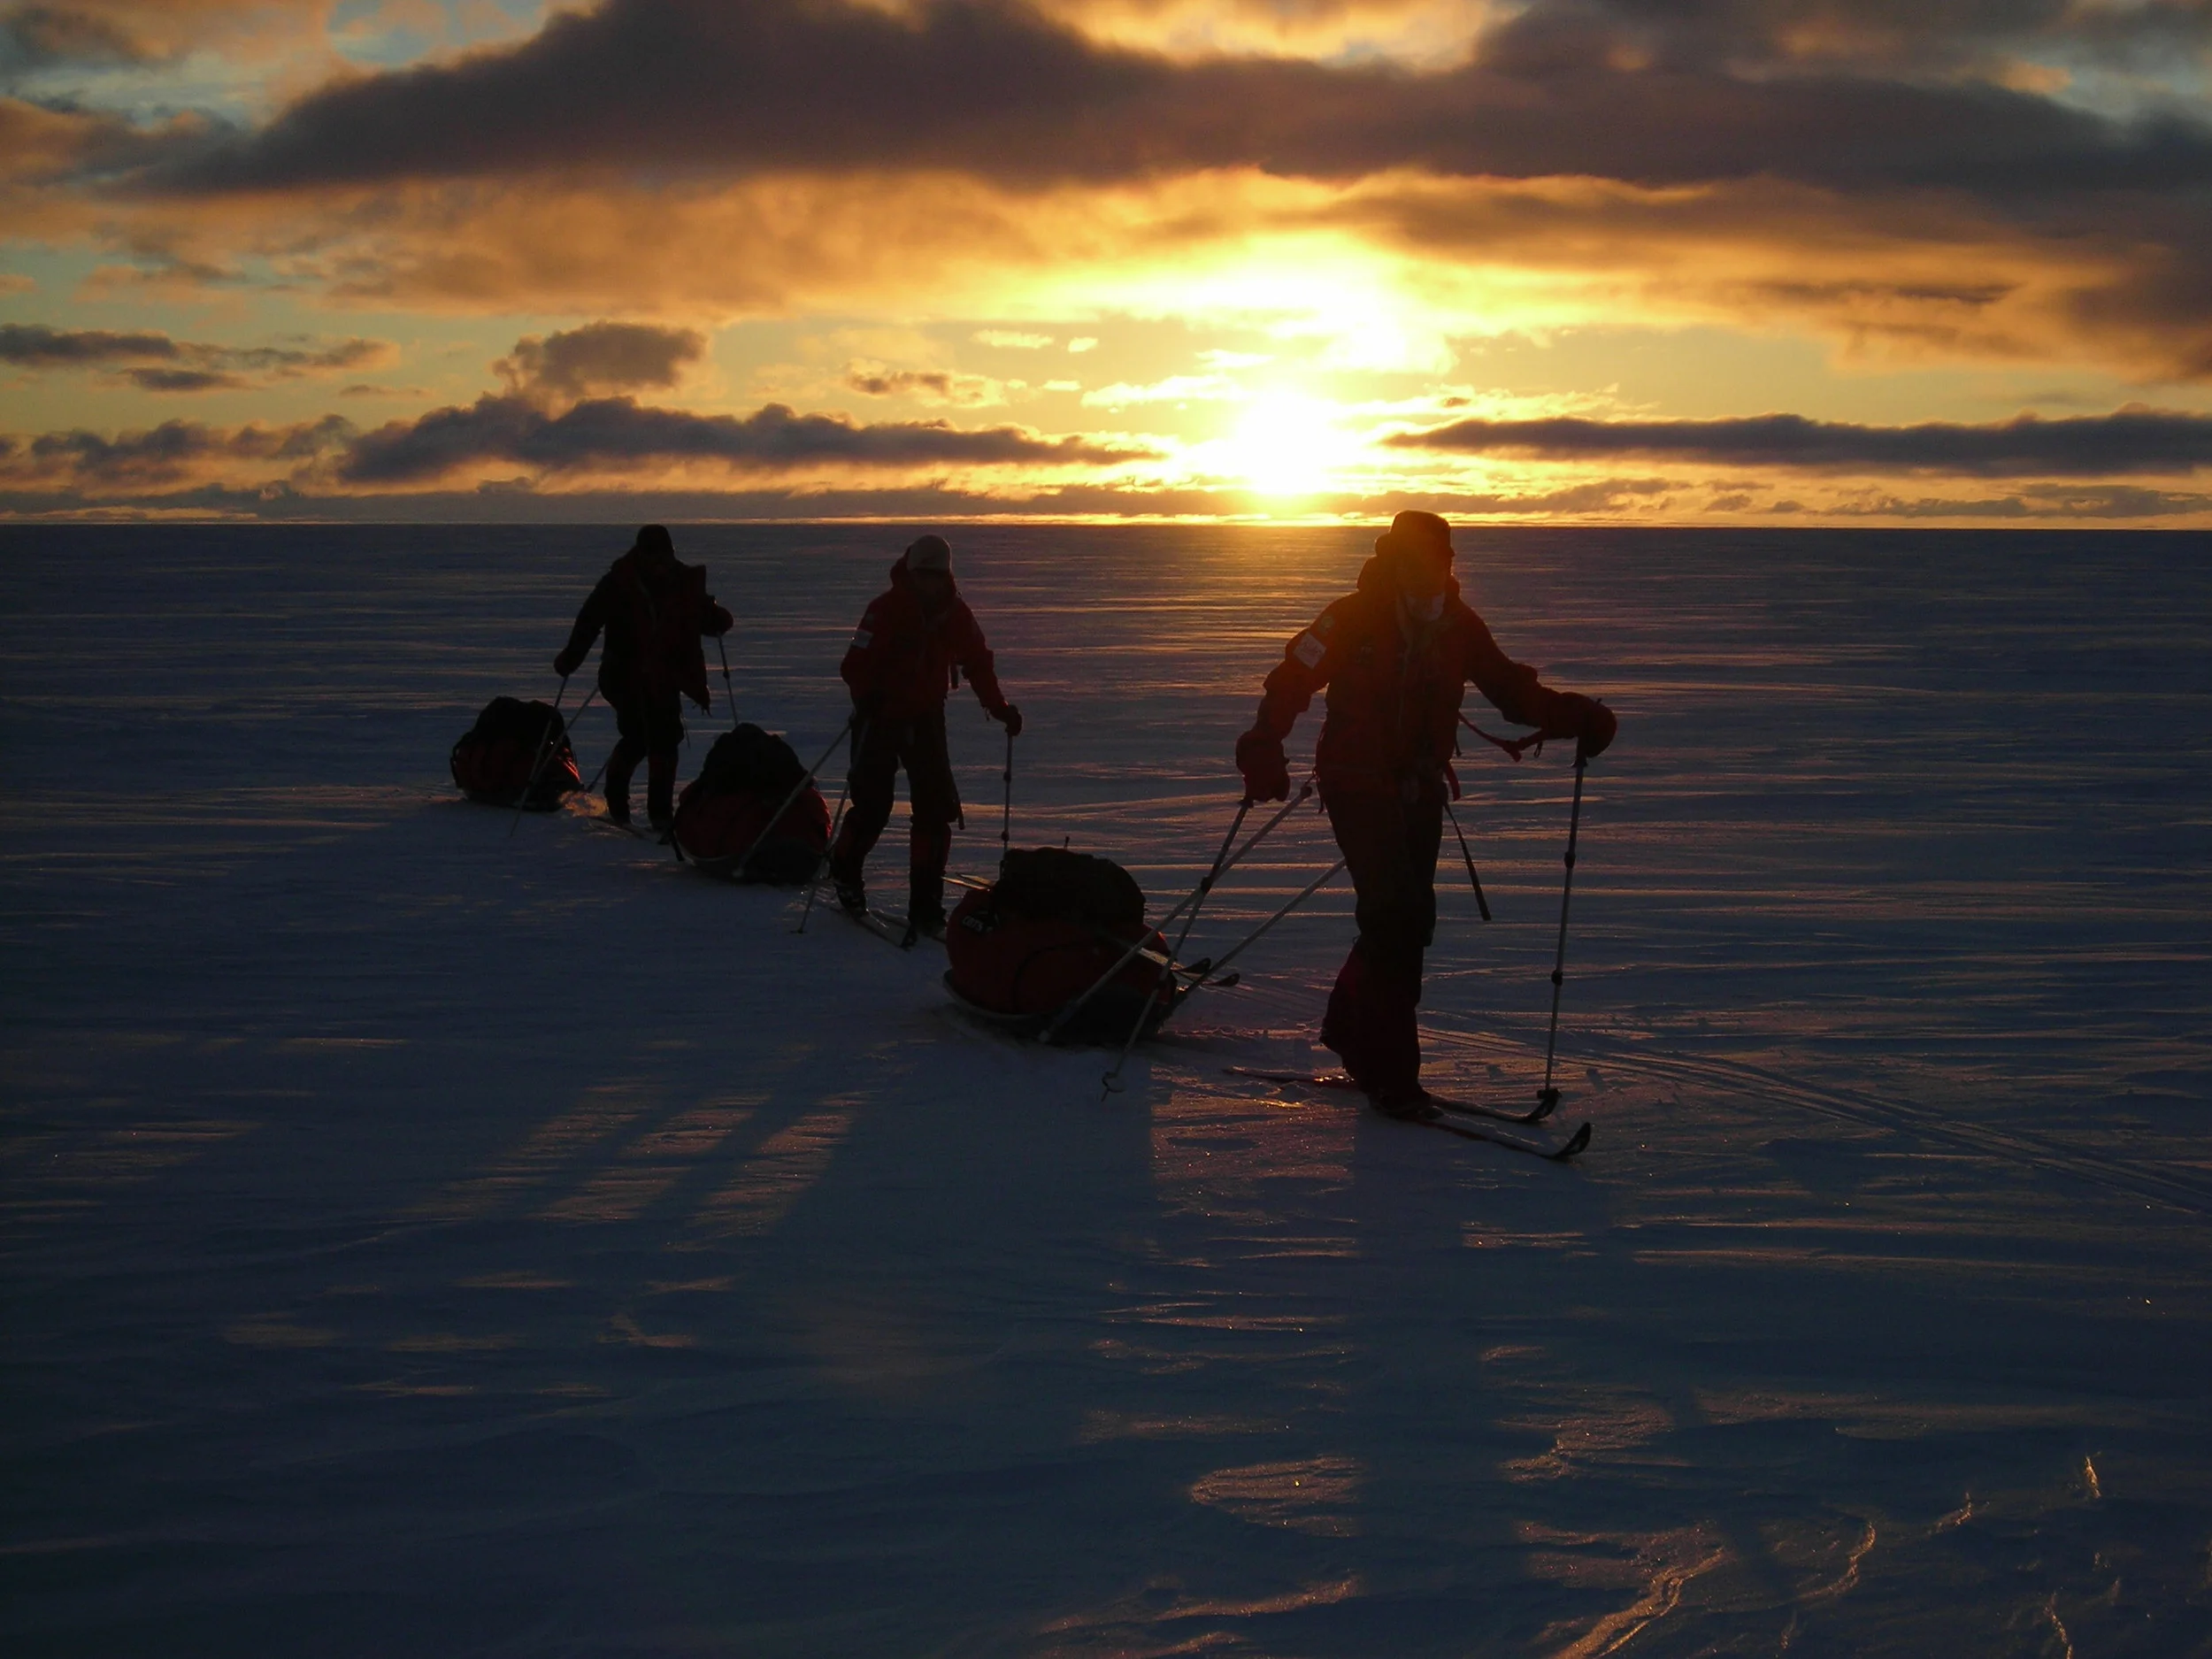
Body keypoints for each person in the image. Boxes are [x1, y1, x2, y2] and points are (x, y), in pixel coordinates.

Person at [1233, 510, 1617, 1117]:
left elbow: (1512, 695)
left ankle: (1351, 1028)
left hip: (1420, 790)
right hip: (1356, 783)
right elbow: (1291, 680)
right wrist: (1263, 744)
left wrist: (1577, 715)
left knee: (1409, 922)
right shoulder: (1350, 616)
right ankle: (1391, 1075)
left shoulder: (1458, 625)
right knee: (1395, 915)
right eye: (1416, 562)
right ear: (1393, 560)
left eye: (1439, 562)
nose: (1429, 573)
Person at [830, 534, 1022, 939]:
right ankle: (845, 876)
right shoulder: (884, 610)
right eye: (924, 575)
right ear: (911, 572)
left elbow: (978, 660)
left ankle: (927, 905)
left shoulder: (955, 613)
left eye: (937, 575)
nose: (931, 583)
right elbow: (854, 663)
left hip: (926, 718)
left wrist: (998, 707)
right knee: (872, 807)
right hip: (879, 718)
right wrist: (868, 696)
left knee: (935, 812)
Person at [553, 524, 734, 829]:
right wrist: (571, 658)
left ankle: (660, 815)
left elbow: (704, 620)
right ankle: (618, 801)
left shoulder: (682, 584)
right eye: (655, 556)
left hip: (664, 677)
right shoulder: (618, 583)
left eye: (665, 556)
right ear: (641, 554)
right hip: (622, 675)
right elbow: (589, 621)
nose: (661, 563)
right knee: (638, 735)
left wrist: (716, 618)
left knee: (666, 741)